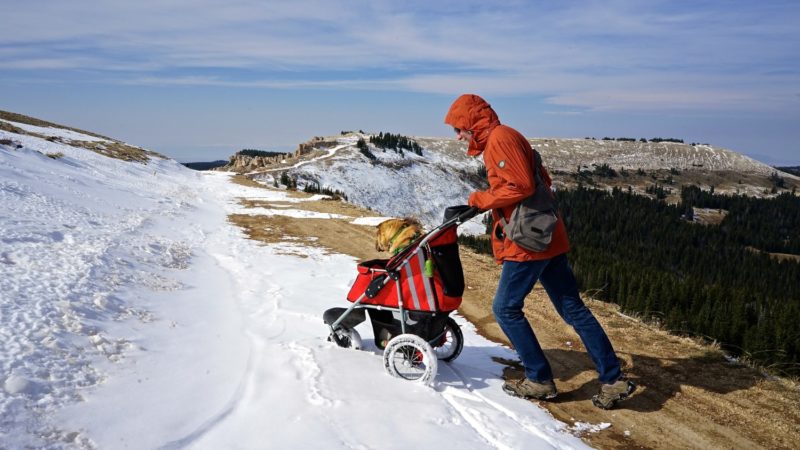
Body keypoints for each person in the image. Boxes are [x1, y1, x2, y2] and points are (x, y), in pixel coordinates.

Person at [444, 94, 636, 409]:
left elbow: (520, 186)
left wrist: (480, 199)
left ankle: (539, 378)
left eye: (459, 128)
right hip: (546, 232)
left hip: (529, 241)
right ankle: (613, 380)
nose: (459, 135)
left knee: (505, 309)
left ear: (472, 123)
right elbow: (537, 180)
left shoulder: (499, 140)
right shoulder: (508, 136)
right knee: (573, 309)